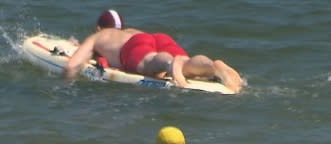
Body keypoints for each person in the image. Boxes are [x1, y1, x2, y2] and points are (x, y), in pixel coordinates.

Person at [63, 9, 244, 93]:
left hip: (136, 47)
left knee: (152, 61)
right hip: (155, 37)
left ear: (98, 28)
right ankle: (212, 66)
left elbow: (72, 65)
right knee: (185, 62)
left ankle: (170, 64)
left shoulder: (99, 37)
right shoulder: (131, 31)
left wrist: (67, 85)